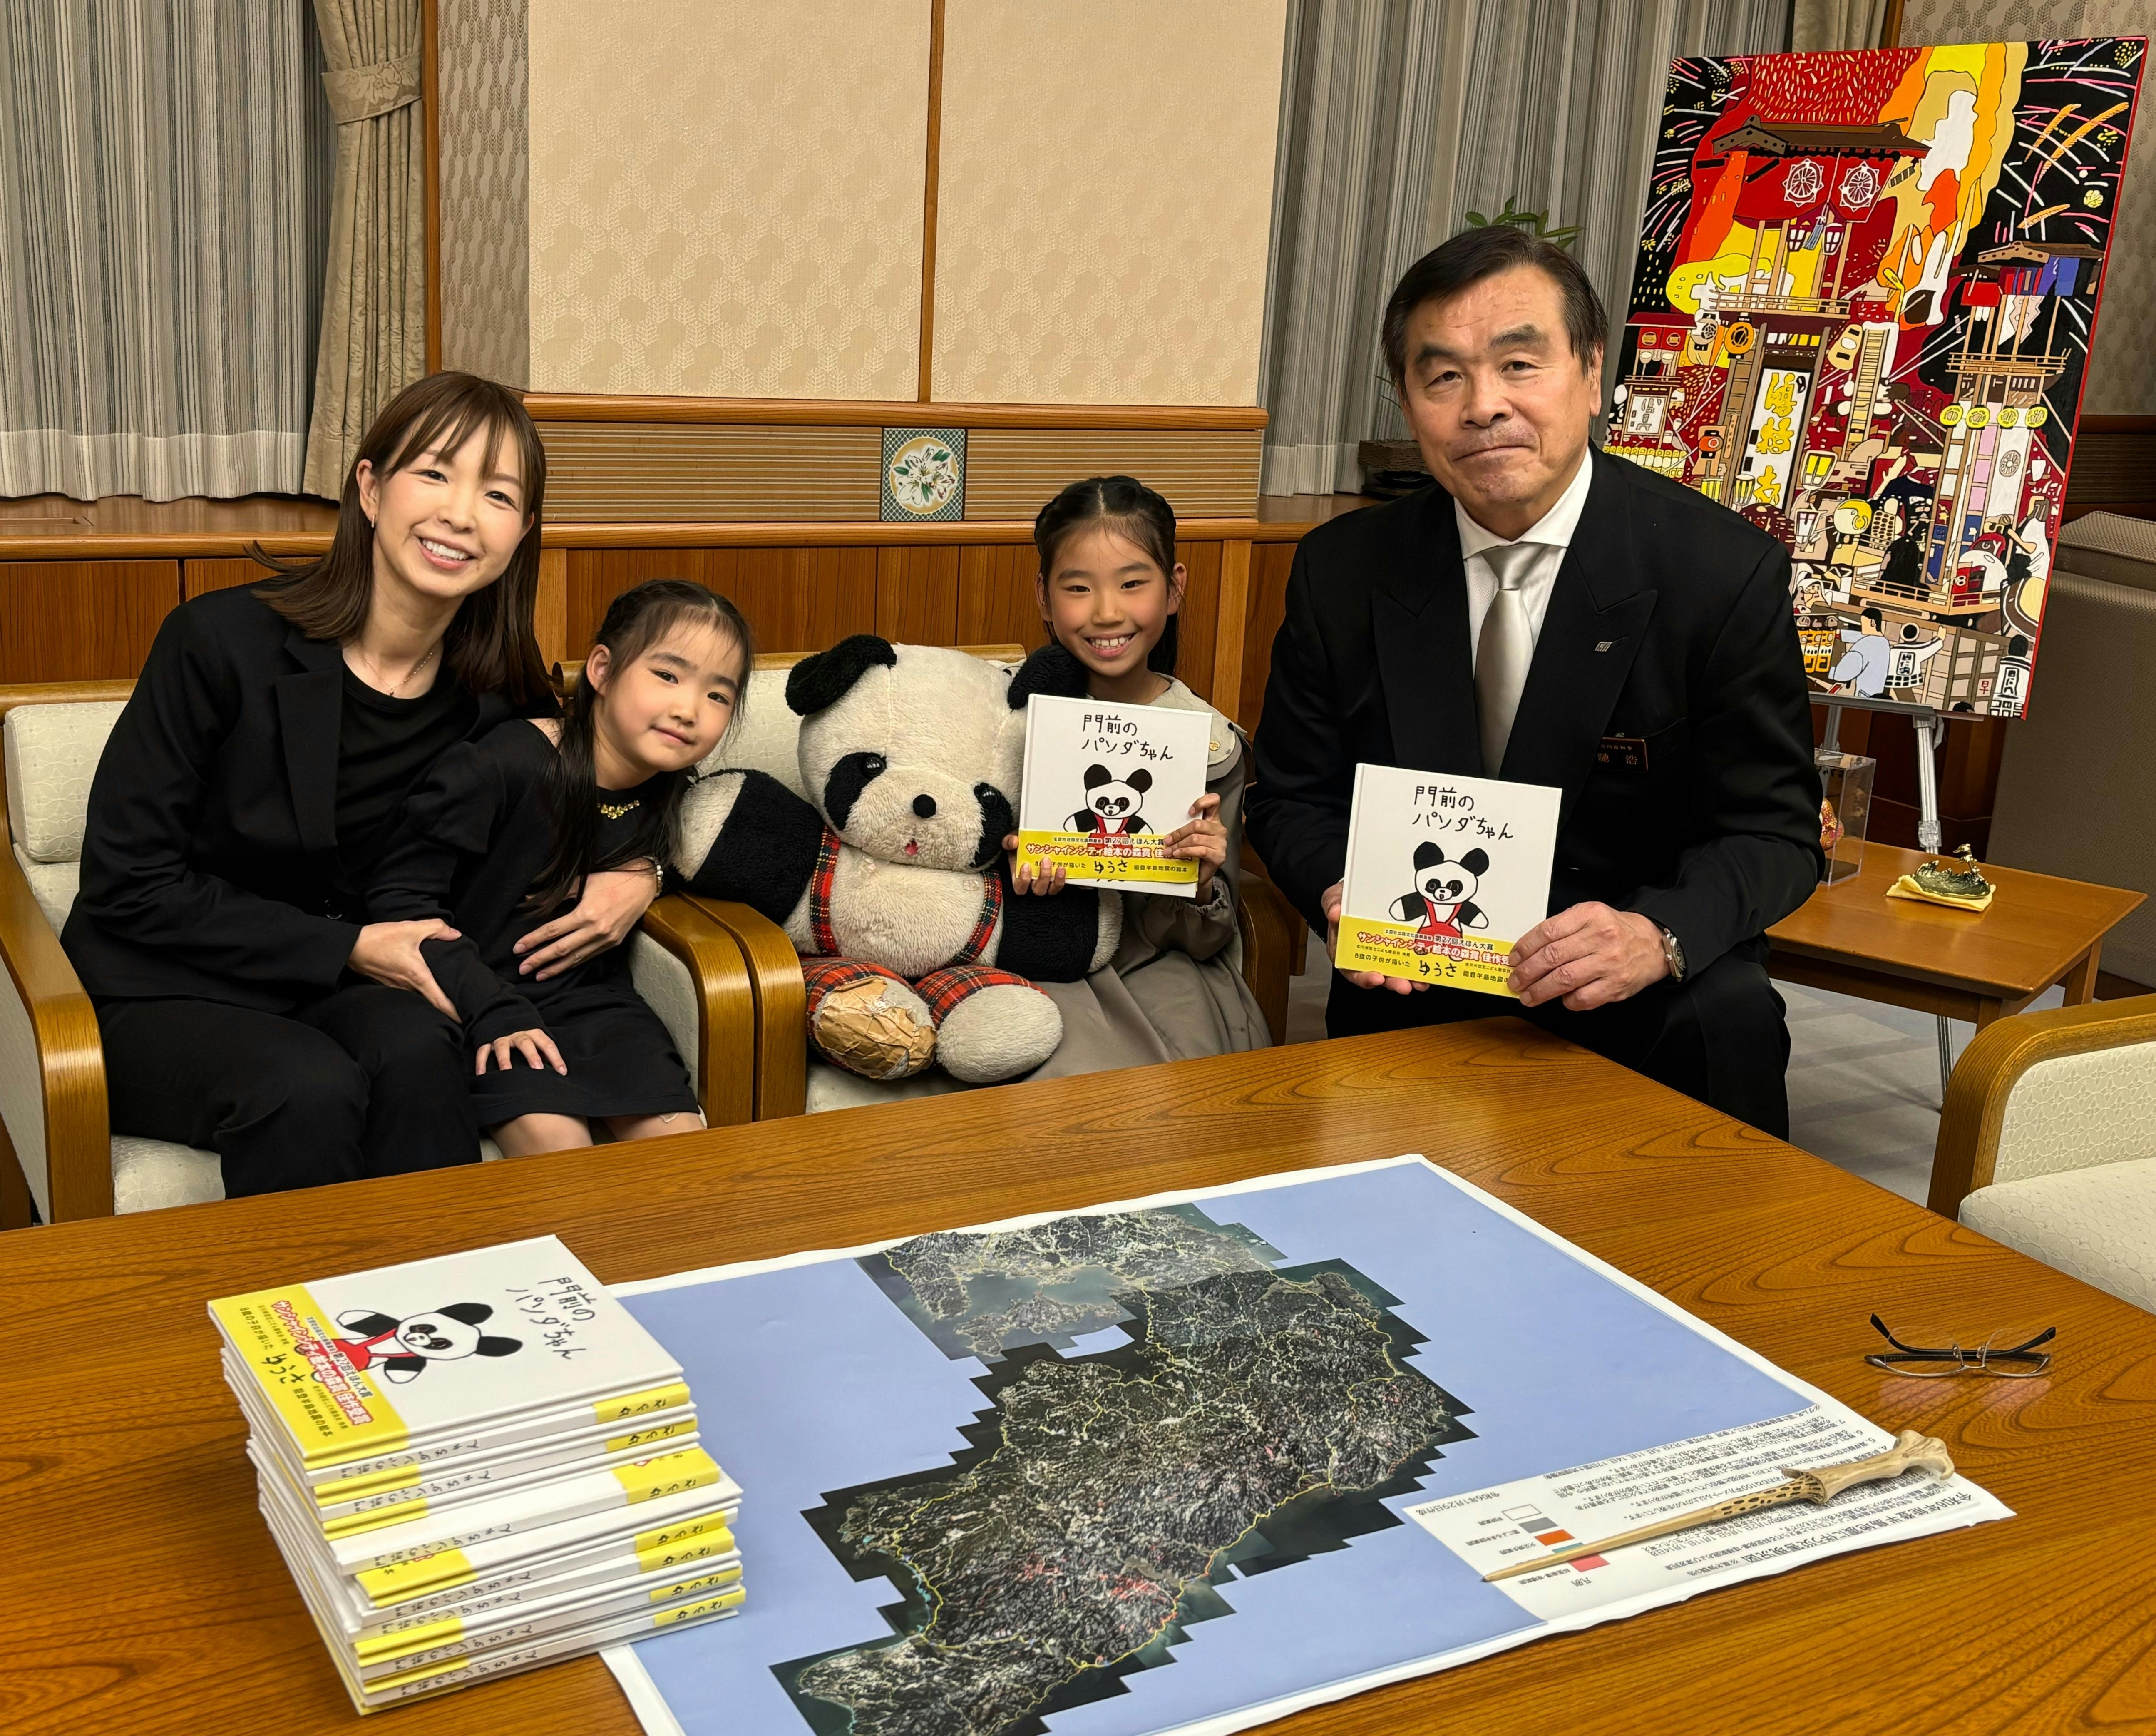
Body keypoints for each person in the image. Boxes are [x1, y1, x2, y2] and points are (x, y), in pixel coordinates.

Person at [1248, 225, 1821, 1136]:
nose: (1484, 406)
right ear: (1408, 402)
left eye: (1519, 365)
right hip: (1419, 976)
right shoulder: (1343, 570)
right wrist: (1333, 887)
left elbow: (1774, 833)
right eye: (1444, 377)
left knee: (1727, 1020)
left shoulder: (1719, 571)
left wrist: (1656, 937)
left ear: (1591, 374)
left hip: (1643, 991)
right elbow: (1289, 798)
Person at [63, 372, 663, 1197]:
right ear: (372, 490)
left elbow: (634, 752)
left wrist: (644, 870)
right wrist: (345, 946)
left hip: (344, 986)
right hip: (162, 985)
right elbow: (129, 882)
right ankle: (303, 1294)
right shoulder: (217, 642)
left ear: (521, 532)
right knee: (305, 1087)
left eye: (497, 495)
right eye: (435, 473)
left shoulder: (497, 684)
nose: (460, 513)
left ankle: (448, 1280)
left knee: (422, 1052)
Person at [370, 580, 751, 1156]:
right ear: (602, 670)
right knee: (561, 1151)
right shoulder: (507, 762)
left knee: (680, 1156)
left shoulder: (672, 783)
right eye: (667, 675)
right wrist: (488, 1008)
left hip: (594, 1004)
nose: (689, 710)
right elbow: (399, 900)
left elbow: (750, 840)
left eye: (718, 695)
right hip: (477, 997)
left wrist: (650, 875)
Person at [1002, 476, 1272, 1069]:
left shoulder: (1211, 744)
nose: (1107, 613)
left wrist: (1200, 880)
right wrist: (1001, 864)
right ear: (1045, 598)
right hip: (1025, 954)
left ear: (1174, 589)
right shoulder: (1002, 714)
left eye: (1132, 584)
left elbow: (1209, 934)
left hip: (1158, 964)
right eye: (1078, 588)